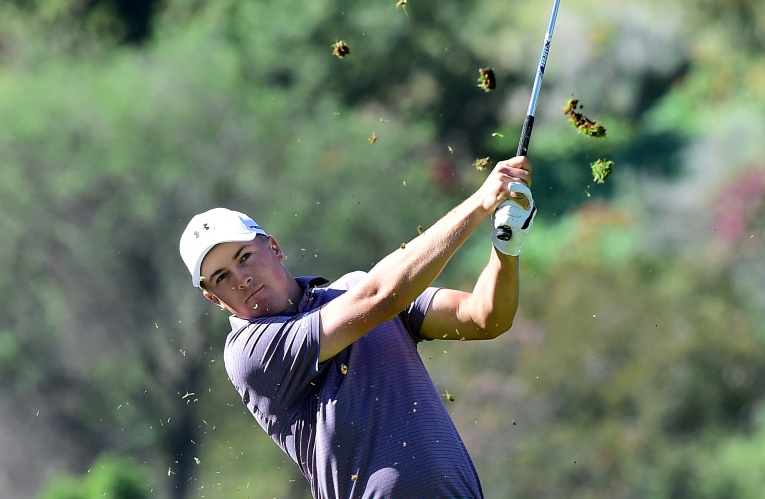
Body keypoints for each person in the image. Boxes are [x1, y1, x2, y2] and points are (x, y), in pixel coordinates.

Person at [179, 156, 536, 498]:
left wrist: (507, 245)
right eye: (222, 277)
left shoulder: (351, 290)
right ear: (215, 299)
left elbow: (483, 317)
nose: (241, 279)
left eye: (245, 257)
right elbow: (380, 297)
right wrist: (479, 203)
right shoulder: (250, 352)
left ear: (274, 247)